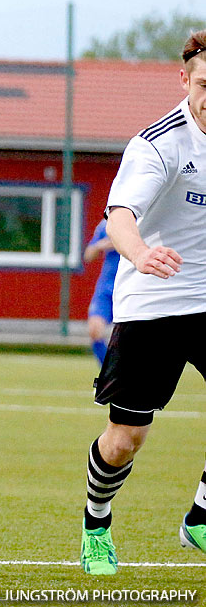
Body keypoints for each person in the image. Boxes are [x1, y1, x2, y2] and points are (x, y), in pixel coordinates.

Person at [79, 30, 206, 576]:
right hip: (154, 302)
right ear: (184, 80)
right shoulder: (161, 143)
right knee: (127, 438)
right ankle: (97, 524)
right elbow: (120, 216)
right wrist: (140, 254)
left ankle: (200, 519)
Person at [83, 219, 118, 364]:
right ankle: (108, 373)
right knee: (95, 330)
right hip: (106, 287)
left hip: (132, 288)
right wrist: (100, 245)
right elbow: (88, 256)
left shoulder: (143, 221)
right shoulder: (107, 224)